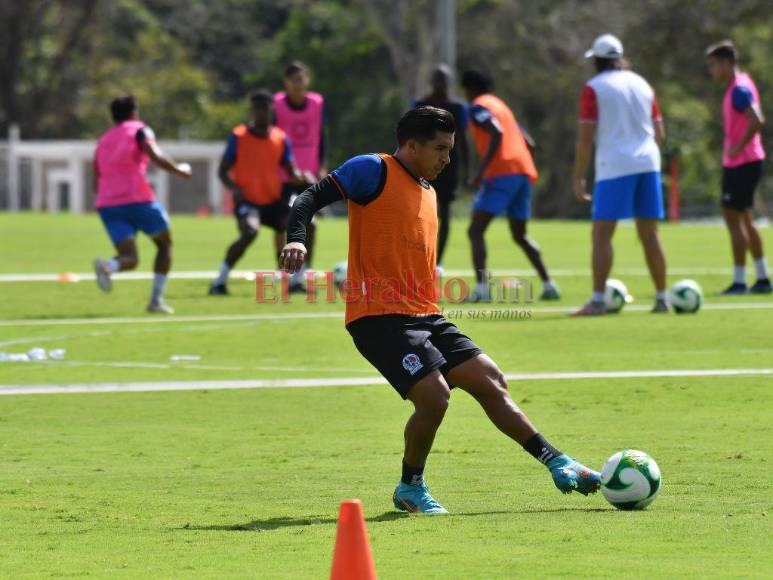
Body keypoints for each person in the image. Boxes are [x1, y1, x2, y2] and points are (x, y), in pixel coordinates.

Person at [279, 107, 599, 514]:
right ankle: (410, 487)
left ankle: (558, 461)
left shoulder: (428, 189)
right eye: (440, 149)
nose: (447, 158)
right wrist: (297, 239)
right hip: (377, 317)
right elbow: (308, 197)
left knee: (489, 378)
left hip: (425, 314)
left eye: (450, 149)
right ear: (412, 145)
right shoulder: (373, 169)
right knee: (434, 397)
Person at [572, 34, 669, 315]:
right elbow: (660, 133)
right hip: (648, 163)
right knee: (650, 233)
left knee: (602, 234)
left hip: (614, 165)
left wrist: (578, 177)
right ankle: (662, 299)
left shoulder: (593, 88)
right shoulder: (643, 84)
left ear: (597, 60)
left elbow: (585, 139)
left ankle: (597, 301)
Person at [461, 69, 559, 302]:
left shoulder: (478, 107)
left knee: (475, 230)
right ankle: (549, 285)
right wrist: (519, 166)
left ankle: (482, 290)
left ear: (470, 89)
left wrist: (481, 172)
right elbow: (529, 143)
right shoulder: (502, 106)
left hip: (502, 173)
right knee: (520, 235)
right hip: (523, 172)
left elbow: (495, 131)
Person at [92, 94, 192, 314]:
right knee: (164, 244)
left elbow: (95, 178)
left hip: (108, 205)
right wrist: (179, 170)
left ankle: (108, 266)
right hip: (137, 200)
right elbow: (155, 155)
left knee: (130, 258)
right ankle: (156, 301)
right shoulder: (140, 130)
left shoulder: (103, 140)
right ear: (134, 112)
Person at [209, 90, 305, 295]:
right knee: (250, 232)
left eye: (266, 109)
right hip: (248, 202)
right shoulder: (239, 136)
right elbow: (222, 170)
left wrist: (300, 176)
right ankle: (219, 282)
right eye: (258, 109)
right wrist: (234, 188)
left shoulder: (280, 138)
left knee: (302, 224)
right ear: (252, 111)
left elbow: (290, 169)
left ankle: (294, 281)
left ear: (272, 111)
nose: (262, 113)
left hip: (273, 201)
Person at [705, 40, 770, 294]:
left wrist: (738, 146)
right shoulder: (741, 84)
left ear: (727, 63)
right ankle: (762, 278)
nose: (712, 70)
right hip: (746, 162)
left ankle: (740, 281)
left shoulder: (739, 89)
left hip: (742, 162)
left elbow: (757, 120)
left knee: (734, 221)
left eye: (714, 65)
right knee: (745, 220)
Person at [274, 61, 327, 292]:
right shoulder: (277, 104)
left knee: (310, 225)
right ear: (286, 82)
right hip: (283, 177)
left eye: (301, 78)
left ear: (307, 79)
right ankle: (284, 272)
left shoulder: (316, 103)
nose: (297, 83)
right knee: (282, 224)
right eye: (293, 79)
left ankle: (302, 274)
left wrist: (322, 168)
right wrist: (288, 170)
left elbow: (322, 138)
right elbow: (272, 139)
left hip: (309, 178)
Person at [413, 64, 470, 267]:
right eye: (438, 80)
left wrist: (467, 172)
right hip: (422, 166)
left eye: (444, 81)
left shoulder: (458, 108)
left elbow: (463, 141)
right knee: (419, 213)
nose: (441, 84)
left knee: (443, 213)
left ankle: (438, 262)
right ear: (432, 82)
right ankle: (419, 255)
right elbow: (410, 137)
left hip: (447, 167)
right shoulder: (420, 105)